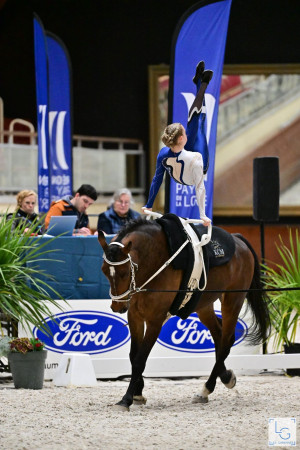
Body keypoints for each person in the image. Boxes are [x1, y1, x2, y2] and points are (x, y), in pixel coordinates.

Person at [143, 60, 212, 226]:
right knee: (198, 126)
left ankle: (200, 84)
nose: (185, 133)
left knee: (196, 123)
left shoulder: (163, 153)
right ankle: (201, 86)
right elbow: (199, 187)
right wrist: (203, 215)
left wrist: (149, 204)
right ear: (181, 138)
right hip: (195, 168)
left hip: (182, 161)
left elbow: (157, 180)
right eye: (183, 132)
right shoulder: (196, 158)